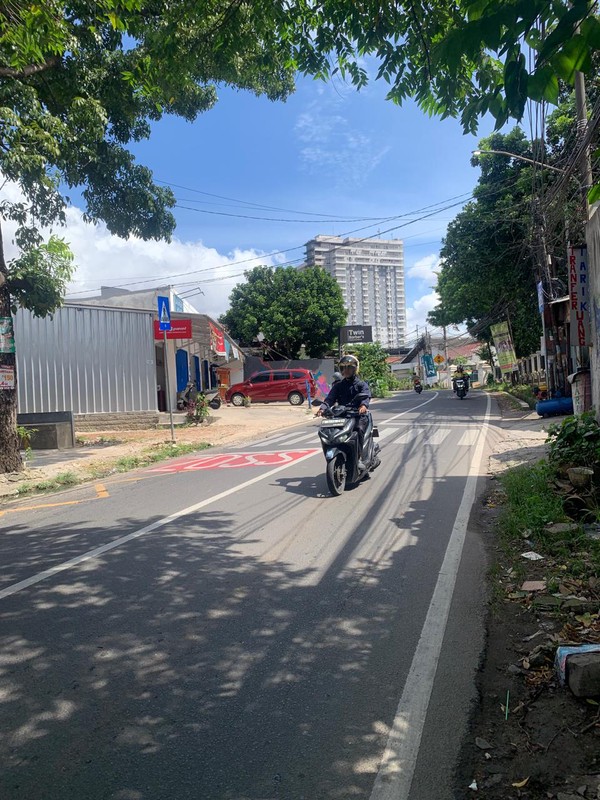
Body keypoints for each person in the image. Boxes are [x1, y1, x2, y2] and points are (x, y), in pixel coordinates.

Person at [316, 354, 371, 469]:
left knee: (359, 430)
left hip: (358, 415)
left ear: (355, 369)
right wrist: (322, 408)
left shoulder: (361, 385)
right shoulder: (338, 386)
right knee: (329, 431)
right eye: (343, 368)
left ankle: (359, 457)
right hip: (342, 416)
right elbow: (330, 399)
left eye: (349, 368)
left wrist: (363, 406)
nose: (346, 371)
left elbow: (366, 396)